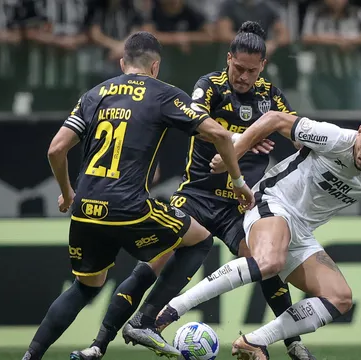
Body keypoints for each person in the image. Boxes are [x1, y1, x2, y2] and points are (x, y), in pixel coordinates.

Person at [71, 21, 316, 360]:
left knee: (265, 264)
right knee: (156, 261)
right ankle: (100, 343)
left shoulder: (270, 97)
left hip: (240, 206)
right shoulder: (210, 86)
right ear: (228, 58)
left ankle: (292, 342)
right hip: (198, 196)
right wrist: (242, 140)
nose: (242, 76)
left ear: (262, 67)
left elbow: (300, 136)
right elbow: (197, 124)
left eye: (250, 70)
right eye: (237, 67)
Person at [141, 111, 361, 360]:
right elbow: (272, 118)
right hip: (271, 203)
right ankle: (169, 312)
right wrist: (236, 153)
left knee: (341, 298)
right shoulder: (332, 137)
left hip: (302, 232)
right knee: (270, 261)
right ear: (360, 132)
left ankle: (254, 341)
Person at [20, 31, 254, 360]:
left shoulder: (95, 93)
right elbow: (220, 136)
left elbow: (56, 149)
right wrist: (238, 181)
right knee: (200, 240)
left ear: (121, 63)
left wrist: (66, 191)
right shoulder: (162, 93)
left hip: (86, 208)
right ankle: (146, 320)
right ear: (155, 66)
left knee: (85, 287)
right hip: (130, 206)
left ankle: (32, 355)